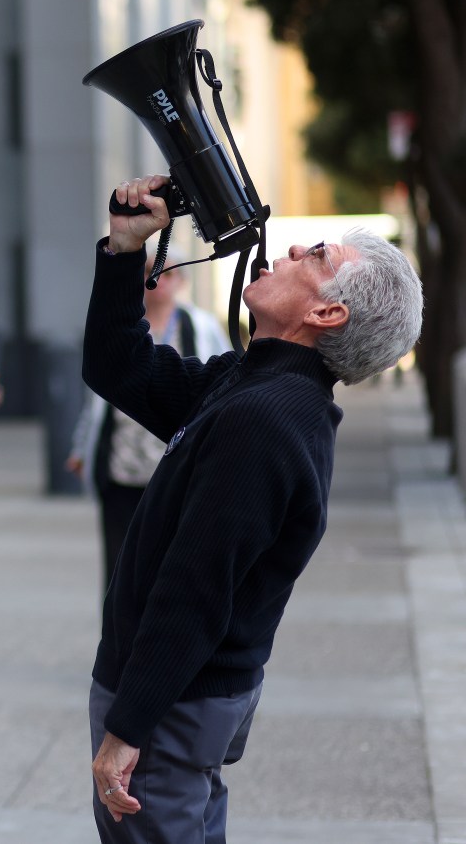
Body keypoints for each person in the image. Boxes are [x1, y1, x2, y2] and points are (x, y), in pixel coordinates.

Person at [87, 176, 422, 843]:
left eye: (317, 258)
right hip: (178, 697)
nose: (294, 249)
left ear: (327, 316)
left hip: (172, 705)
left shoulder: (266, 419)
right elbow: (118, 367)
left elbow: (197, 589)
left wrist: (130, 727)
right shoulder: (254, 383)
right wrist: (126, 250)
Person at [66, 253, 230, 591]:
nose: (158, 281)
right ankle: (116, 640)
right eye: (149, 272)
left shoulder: (199, 325)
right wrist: (81, 447)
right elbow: (94, 398)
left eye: (168, 274)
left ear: (180, 282)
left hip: (176, 467)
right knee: (119, 566)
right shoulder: (124, 327)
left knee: (173, 564)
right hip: (121, 467)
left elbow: (225, 383)